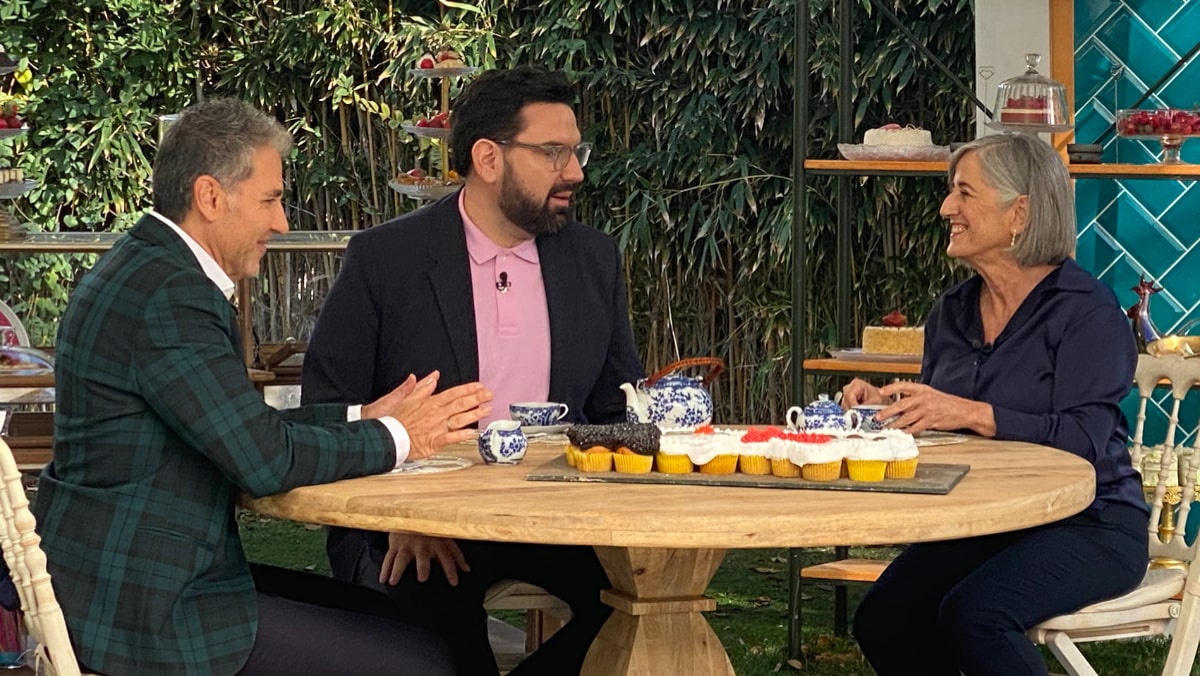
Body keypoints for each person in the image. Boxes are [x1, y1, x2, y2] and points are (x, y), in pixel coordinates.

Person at [32, 98, 494, 676]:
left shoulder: (146, 267)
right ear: (210, 196)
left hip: (133, 579)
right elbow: (265, 462)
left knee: (418, 622)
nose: (281, 222)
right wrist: (402, 435)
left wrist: (363, 415)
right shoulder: (170, 296)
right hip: (151, 611)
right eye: (271, 200)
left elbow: (241, 430)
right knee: (423, 661)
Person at [302, 66, 644, 675]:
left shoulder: (594, 259)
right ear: (489, 157)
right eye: (554, 152)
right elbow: (327, 411)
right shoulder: (386, 260)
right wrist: (399, 514)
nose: (576, 172)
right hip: (418, 519)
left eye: (577, 150)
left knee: (646, 613)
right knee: (434, 626)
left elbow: (615, 410)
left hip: (559, 515)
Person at [842, 133, 1149, 675]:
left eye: (965, 193)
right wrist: (885, 409)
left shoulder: (1087, 313)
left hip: (1093, 523)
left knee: (975, 614)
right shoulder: (952, 312)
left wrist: (966, 412)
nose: (946, 208)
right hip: (986, 522)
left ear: (1020, 213)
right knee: (884, 617)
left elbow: (1083, 440)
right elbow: (938, 426)